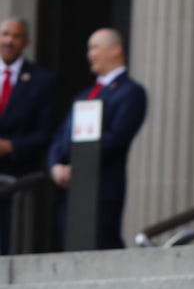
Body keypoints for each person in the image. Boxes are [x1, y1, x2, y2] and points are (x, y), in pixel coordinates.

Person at [47, 26, 148, 249]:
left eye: (94, 47)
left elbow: (118, 136)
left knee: (102, 246)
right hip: (71, 192)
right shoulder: (84, 95)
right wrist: (55, 166)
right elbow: (60, 137)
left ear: (115, 50)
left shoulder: (130, 92)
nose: (89, 54)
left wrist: (80, 163)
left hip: (102, 189)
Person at [0, 17, 56, 254]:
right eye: (5, 34)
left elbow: (46, 133)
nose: (9, 41)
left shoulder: (41, 81)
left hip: (17, 180)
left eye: (16, 36)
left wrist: (11, 146)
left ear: (26, 42)